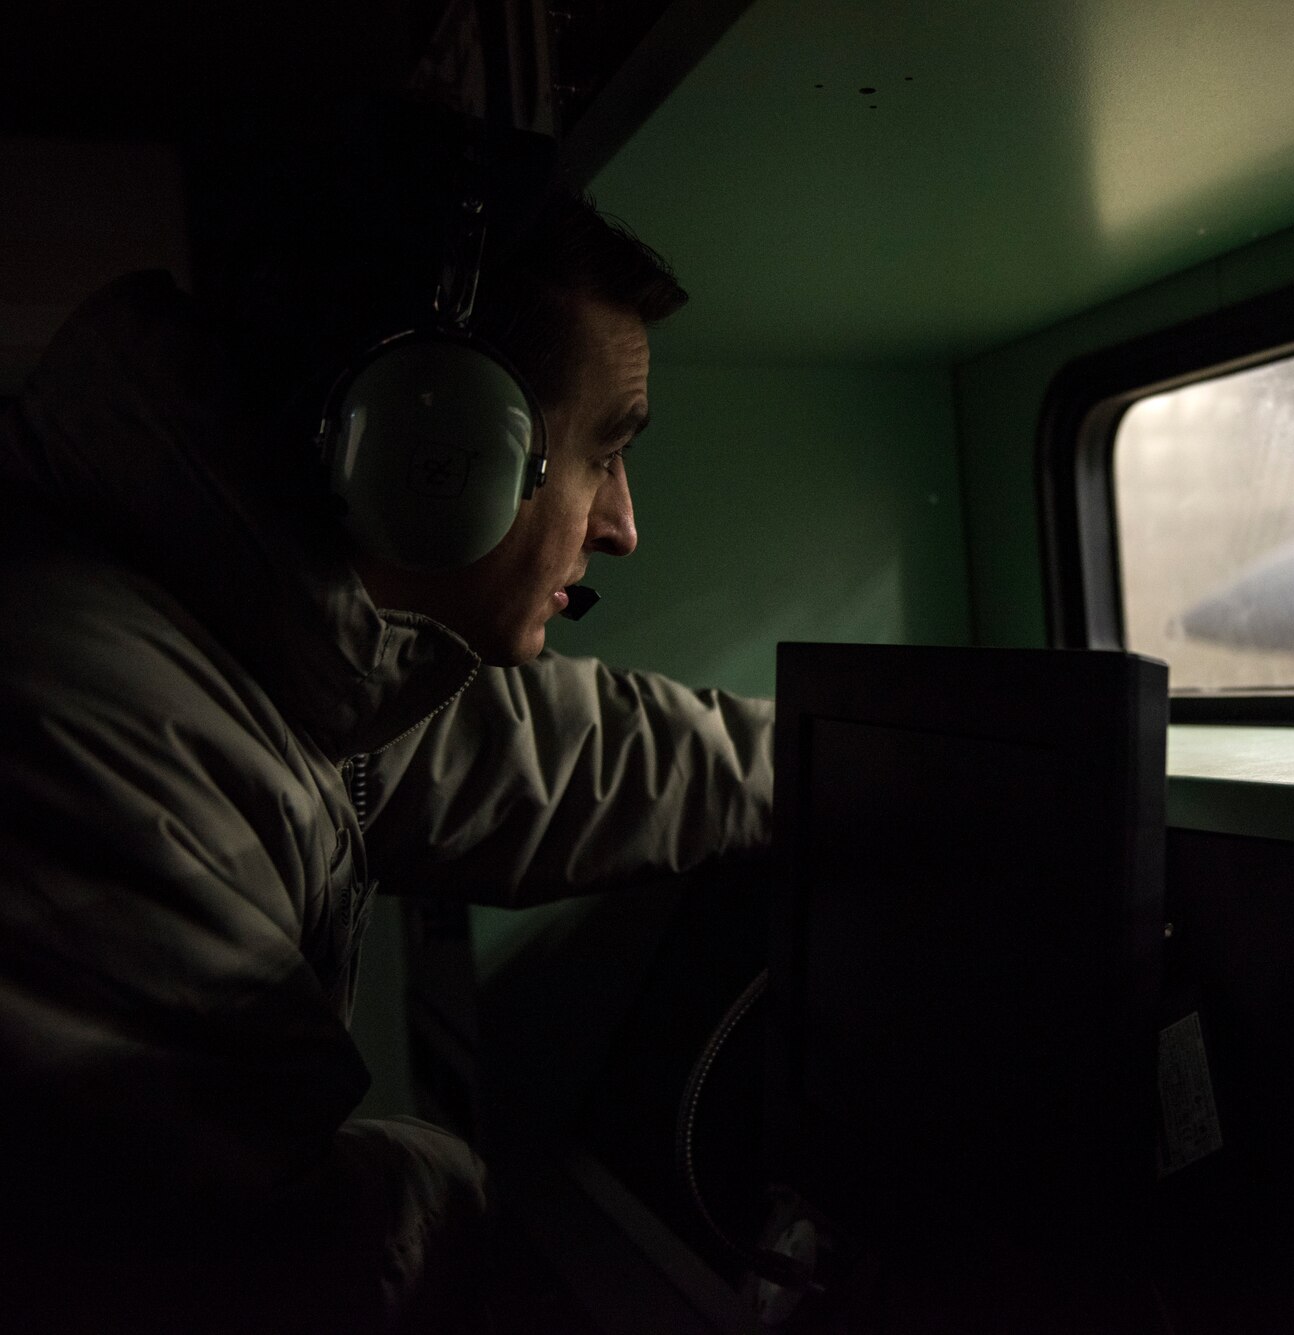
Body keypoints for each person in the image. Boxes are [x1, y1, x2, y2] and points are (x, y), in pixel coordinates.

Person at [0, 101, 774, 1331]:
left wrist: (839, 762)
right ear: (437, 457)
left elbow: (542, 753)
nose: (621, 525)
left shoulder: (249, 633)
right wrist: (463, 1181)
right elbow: (265, 1277)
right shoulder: (112, 756)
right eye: (604, 452)